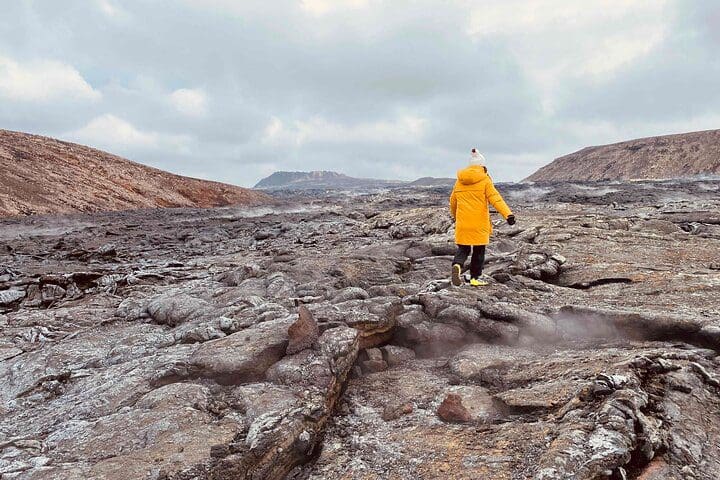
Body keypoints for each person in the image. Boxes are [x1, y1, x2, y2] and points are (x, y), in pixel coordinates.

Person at [449, 148, 515, 287]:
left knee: (463, 249)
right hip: (479, 223)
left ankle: (457, 266)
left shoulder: (459, 181)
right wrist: (508, 215)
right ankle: (475, 278)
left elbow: (453, 202)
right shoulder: (485, 180)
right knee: (479, 251)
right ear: (482, 166)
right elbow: (496, 199)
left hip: (463, 223)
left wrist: (456, 217)